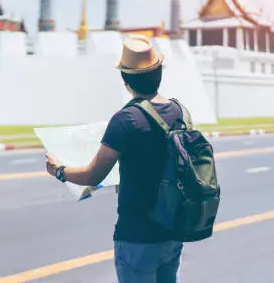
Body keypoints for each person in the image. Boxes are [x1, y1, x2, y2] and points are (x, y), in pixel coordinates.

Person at [45, 35, 185, 283]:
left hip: (138, 235)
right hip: (173, 229)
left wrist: (60, 171)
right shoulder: (178, 111)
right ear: (159, 73)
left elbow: (92, 175)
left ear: (125, 80)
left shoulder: (126, 119)